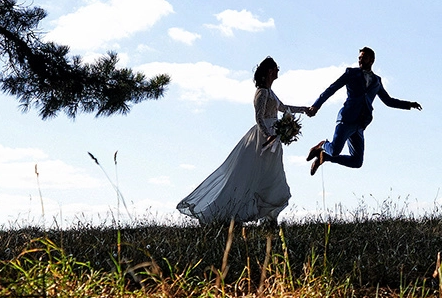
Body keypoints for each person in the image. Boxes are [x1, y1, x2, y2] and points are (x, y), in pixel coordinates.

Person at [176, 57, 313, 225]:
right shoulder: (262, 92)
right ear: (270, 71)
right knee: (250, 177)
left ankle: (270, 217)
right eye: (276, 69)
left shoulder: (270, 92)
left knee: (273, 175)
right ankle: (228, 213)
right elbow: (259, 117)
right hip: (263, 140)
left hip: (273, 140)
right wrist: (267, 134)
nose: (278, 71)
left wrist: (303, 110)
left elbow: (283, 108)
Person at [306, 46, 421, 175]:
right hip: (346, 119)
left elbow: (388, 101)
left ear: (371, 60)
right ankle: (322, 145)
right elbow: (332, 89)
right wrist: (316, 105)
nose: (360, 60)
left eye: (364, 58)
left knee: (357, 162)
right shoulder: (351, 73)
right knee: (334, 150)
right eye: (359, 58)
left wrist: (409, 104)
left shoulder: (377, 81)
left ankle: (324, 157)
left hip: (360, 124)